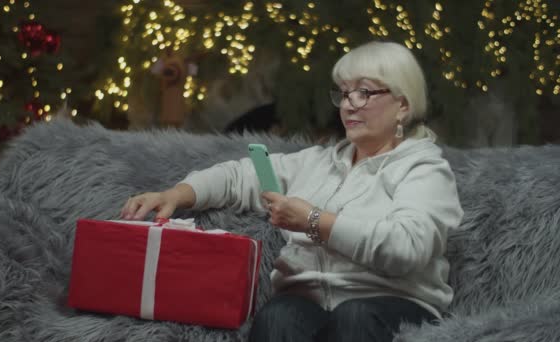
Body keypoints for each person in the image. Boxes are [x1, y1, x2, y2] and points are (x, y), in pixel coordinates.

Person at [120, 40, 464, 342]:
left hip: (394, 305)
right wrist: (176, 194)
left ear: (402, 105)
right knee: (278, 316)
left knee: (354, 317)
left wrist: (314, 221)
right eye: (344, 93)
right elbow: (239, 175)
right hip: (310, 303)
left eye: (365, 92)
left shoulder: (423, 168)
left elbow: (406, 247)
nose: (348, 105)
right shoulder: (317, 163)